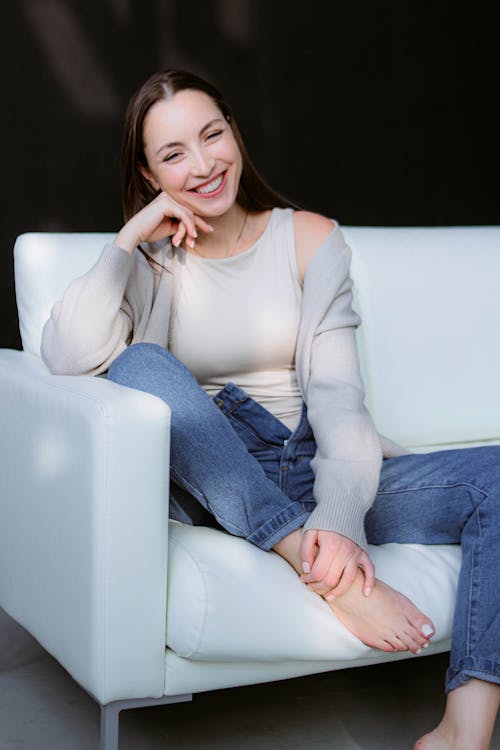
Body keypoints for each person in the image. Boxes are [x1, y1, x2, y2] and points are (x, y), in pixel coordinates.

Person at [41, 69, 499, 749]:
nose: (202, 165)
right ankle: (301, 559)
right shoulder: (149, 259)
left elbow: (340, 398)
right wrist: (128, 238)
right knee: (140, 365)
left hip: (316, 464)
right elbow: (67, 354)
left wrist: (340, 523)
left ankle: (465, 729)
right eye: (173, 154)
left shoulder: (310, 237)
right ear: (146, 170)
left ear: (234, 132)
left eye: (212, 135)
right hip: (218, 475)